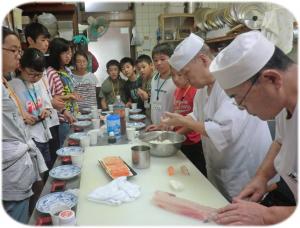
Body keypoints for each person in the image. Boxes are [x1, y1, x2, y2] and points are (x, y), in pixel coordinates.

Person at [161, 33, 272, 200]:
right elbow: (198, 115)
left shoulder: (230, 84)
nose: (185, 79)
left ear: (203, 60)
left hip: (243, 169)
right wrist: (175, 120)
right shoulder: (202, 90)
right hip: (219, 167)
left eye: (187, 72)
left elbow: (224, 130)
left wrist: (183, 121)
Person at [209, 31, 297, 225]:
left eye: (239, 99)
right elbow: (281, 141)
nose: (243, 109)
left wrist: (266, 216)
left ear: (272, 79)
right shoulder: (286, 103)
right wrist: (261, 178)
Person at [2, 26, 47, 224]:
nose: (18, 55)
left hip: (22, 158)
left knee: (27, 206)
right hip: (10, 164)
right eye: (13, 50)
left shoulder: (4, 81)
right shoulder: (13, 84)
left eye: (19, 50)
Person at [24, 22, 61, 168]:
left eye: (47, 40)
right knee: (46, 165)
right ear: (30, 41)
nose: (46, 44)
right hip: (37, 126)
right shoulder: (25, 69)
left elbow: (46, 93)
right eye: (43, 40)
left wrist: (53, 104)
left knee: (53, 161)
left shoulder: (42, 63)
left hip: (49, 120)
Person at [47, 37, 78, 146]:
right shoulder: (51, 72)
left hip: (73, 114)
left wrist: (73, 95)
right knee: (66, 148)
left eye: (70, 53)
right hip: (62, 119)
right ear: (56, 53)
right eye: (65, 53)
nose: (69, 56)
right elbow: (51, 97)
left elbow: (70, 89)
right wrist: (69, 96)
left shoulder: (67, 70)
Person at [146, 42, 176, 129]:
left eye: (162, 59)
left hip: (169, 127)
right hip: (155, 125)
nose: (158, 63)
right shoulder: (154, 78)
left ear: (171, 59)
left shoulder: (176, 80)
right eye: (155, 60)